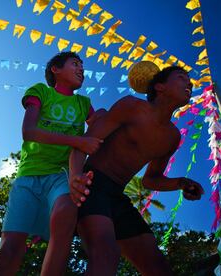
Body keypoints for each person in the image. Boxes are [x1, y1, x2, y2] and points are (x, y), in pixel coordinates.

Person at [69, 64, 205, 276]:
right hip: (91, 185)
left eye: (189, 80)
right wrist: (75, 177)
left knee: (158, 267)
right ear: (159, 86)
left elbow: (150, 180)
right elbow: (84, 143)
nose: (190, 82)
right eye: (181, 77)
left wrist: (180, 183)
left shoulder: (172, 137)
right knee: (106, 254)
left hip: (118, 197)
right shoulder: (131, 106)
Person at [0, 52, 103, 276]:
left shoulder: (84, 103)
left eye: (82, 65)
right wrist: (77, 140)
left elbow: (99, 127)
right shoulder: (40, 92)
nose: (81, 69)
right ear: (56, 69)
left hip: (61, 176)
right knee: (10, 247)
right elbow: (29, 132)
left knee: (65, 215)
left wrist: (102, 116)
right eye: (75, 64)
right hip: (28, 176)